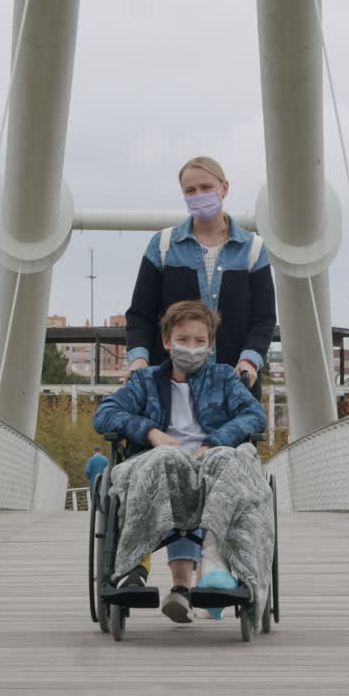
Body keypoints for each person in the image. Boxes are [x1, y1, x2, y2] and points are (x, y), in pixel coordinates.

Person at [94, 300, 266, 623]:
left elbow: (255, 416)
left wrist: (213, 443)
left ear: (210, 345)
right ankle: (133, 568)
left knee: (229, 460)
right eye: (182, 340)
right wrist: (150, 433)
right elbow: (104, 415)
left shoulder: (224, 380)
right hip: (158, 468)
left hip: (208, 469)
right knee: (166, 459)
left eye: (199, 342)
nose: (191, 348)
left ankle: (214, 569)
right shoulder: (146, 383)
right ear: (166, 341)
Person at [124, 156, 276, 399]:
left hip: (233, 386)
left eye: (206, 188)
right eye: (190, 191)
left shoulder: (253, 250)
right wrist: (139, 359)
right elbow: (140, 314)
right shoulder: (163, 246)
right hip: (170, 386)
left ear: (224, 188)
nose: (199, 195)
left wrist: (249, 361)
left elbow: (263, 319)